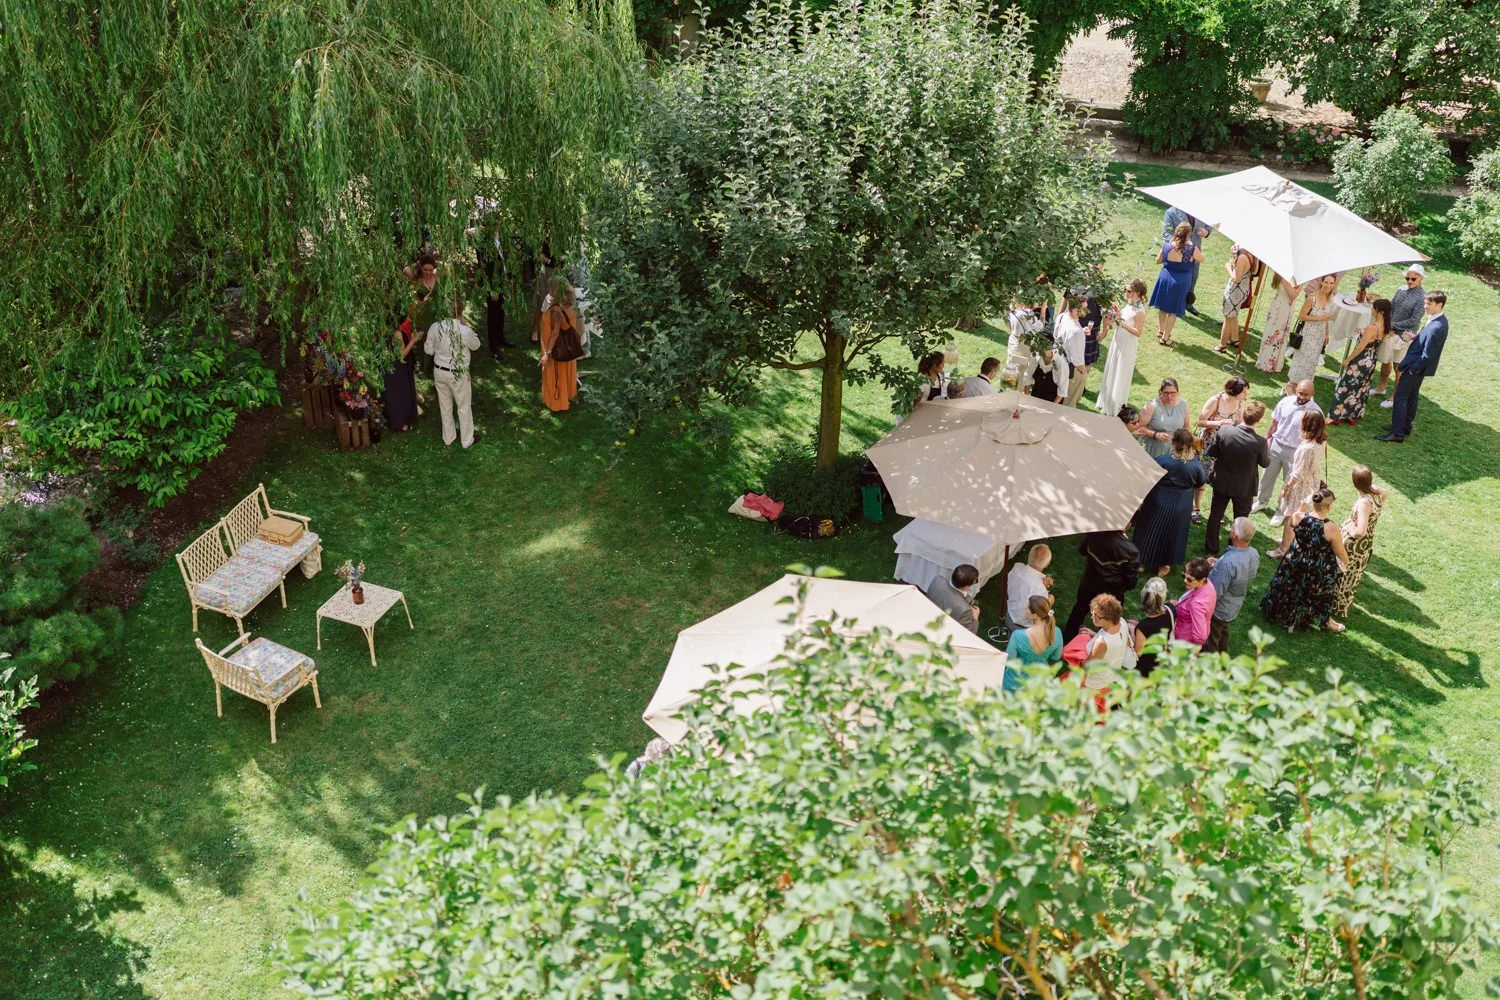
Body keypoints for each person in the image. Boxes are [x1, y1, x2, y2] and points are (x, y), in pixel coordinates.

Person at [1259, 487, 1349, 633]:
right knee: (1323, 591)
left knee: (1289, 585)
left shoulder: (1298, 517)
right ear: (1329, 506)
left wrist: (1304, 504)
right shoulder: (1331, 528)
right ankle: (1326, 620)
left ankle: (1278, 610)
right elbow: (1340, 552)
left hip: (1294, 559)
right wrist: (1346, 562)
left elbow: (1292, 522)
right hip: (1316, 567)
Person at [1134, 428, 1207, 577]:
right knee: (1173, 533)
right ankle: (1164, 564)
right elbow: (1201, 485)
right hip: (1181, 504)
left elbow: (1148, 478)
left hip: (1157, 500)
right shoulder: (1196, 466)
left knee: (1149, 529)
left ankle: (1141, 561)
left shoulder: (1162, 460)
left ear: (1173, 443)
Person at [1379, 291, 1448, 443]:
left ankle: (1397, 433)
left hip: (1415, 368)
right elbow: (1427, 342)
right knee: (1411, 396)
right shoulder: (1438, 320)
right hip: (1418, 368)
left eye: (1429, 304)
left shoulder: (1437, 326)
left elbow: (1427, 355)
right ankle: (1404, 426)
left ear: (1440, 305)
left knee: (1400, 397)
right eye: (1425, 303)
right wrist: (1415, 338)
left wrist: (1411, 369)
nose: (1425, 306)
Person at [1203, 400, 1268, 555]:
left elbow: (1213, 452)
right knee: (1240, 520)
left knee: (1215, 515)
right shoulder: (1260, 442)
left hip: (1222, 482)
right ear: (1258, 421)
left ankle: (1210, 550)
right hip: (1243, 487)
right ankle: (1232, 550)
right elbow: (1265, 463)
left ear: (1243, 415)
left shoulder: (1224, 430)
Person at [1254, 379, 1321, 513]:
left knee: (1288, 482)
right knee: (1266, 476)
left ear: (1313, 393)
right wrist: (1267, 439)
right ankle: (1261, 502)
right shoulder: (1285, 402)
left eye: (1306, 394)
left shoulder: (1316, 412)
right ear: (1296, 390)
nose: (1302, 397)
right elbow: (1274, 422)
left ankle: (1280, 511)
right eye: (1300, 393)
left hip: (1296, 451)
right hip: (1277, 444)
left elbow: (1317, 436)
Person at [1062, 528, 1142, 639]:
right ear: (1126, 525)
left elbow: (1082, 550)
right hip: (1113, 590)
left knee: (1079, 609)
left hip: (1089, 583)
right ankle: (1106, 641)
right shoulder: (1131, 551)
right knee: (1111, 617)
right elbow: (1131, 579)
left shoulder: (1093, 534)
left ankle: (1067, 637)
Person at [1331, 465, 1388, 619]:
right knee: (1353, 575)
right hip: (1366, 544)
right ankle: (1341, 605)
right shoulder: (1377, 493)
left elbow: (1359, 532)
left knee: (1344, 575)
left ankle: (1337, 607)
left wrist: (1349, 524)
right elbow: (1385, 492)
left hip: (1354, 546)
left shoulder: (1364, 503)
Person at [424, 296, 480, 448]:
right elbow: (476, 345)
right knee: (463, 406)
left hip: (439, 371)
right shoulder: (464, 330)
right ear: (461, 311)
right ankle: (467, 440)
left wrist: (439, 349)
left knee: (445, 405)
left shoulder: (435, 327)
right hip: (458, 372)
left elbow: (428, 350)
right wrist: (466, 325)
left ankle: (448, 437)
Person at [1328, 298, 1391, 426]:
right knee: (1360, 388)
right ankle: (1352, 414)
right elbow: (1373, 339)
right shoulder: (1385, 326)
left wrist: (1348, 360)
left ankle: (1335, 415)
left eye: (1374, 308)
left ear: (1380, 311)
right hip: (1371, 360)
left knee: (1345, 386)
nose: (1372, 310)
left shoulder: (1372, 327)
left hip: (1360, 360)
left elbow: (1360, 347)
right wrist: (1363, 331)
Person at [1193, 376, 1248, 523]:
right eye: (1244, 392)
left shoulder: (1240, 402)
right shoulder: (1215, 400)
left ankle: (1217, 511)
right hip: (1210, 443)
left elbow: (1241, 422)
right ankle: (1195, 508)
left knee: (1219, 478)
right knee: (1203, 476)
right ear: (1235, 391)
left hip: (1226, 445)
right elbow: (1200, 422)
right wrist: (1220, 422)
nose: (1245, 396)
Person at [1270, 409, 1328, 543]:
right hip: (1312, 482)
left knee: (1291, 516)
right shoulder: (1321, 442)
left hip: (1300, 486)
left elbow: (1298, 474)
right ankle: (1290, 540)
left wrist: (1287, 488)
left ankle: (1284, 547)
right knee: (1303, 515)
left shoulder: (1307, 448)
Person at [1203, 519, 1260, 654]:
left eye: (1232, 527)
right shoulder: (1254, 553)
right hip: (1234, 604)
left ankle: (1210, 665)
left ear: (1235, 535)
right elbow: (1248, 573)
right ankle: (1224, 655)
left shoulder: (1228, 563)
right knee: (1223, 632)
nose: (1230, 529)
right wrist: (1218, 564)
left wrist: (1217, 569)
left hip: (1219, 609)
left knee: (1212, 638)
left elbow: (1215, 592)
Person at [1095, 279, 1147, 418]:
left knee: (1120, 370)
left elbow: (1138, 332)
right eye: (1126, 290)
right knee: (1113, 367)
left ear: (1137, 293)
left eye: (1129, 291)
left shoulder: (1140, 311)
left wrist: (1122, 323)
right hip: (1118, 340)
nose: (1126, 293)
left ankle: (1116, 404)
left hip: (1127, 344)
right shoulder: (1129, 305)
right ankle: (1106, 400)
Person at [1148, 222, 1204, 347]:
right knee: (1173, 311)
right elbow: (1201, 259)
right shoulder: (1192, 248)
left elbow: (1158, 260)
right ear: (1189, 234)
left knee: (1163, 306)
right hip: (1181, 281)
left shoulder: (1166, 245)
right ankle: (1165, 338)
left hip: (1165, 277)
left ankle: (1161, 330)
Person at [1375, 263, 1425, 400]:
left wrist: (1392, 325)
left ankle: (1394, 396)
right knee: (1386, 361)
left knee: (1399, 366)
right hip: (1391, 332)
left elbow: (1414, 320)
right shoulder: (1400, 290)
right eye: (1407, 278)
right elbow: (1392, 306)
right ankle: (1381, 387)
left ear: (1421, 278)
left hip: (1404, 336)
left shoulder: (1421, 298)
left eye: (1413, 279)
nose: (1409, 281)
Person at [1160, 207, 1212, 316]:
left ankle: (1187, 303)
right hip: (1177, 254)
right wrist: (1179, 244)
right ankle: (1172, 303)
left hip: (1195, 252)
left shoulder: (1202, 210)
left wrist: (1207, 232)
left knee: (1193, 277)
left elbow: (1209, 224)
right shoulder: (1171, 212)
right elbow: (1166, 233)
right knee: (1176, 281)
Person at [540, 277, 582, 413]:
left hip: (557, 348)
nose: (548, 289)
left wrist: (547, 353)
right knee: (567, 370)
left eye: (551, 288)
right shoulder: (571, 305)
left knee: (557, 373)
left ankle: (557, 401)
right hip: (568, 347)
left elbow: (554, 334)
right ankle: (568, 393)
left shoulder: (556, 311)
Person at [1287, 274, 1339, 383]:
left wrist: (1326, 334)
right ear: (1321, 282)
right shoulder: (1312, 298)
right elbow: (1302, 316)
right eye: (1326, 282)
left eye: (1331, 283)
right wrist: (1321, 317)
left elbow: (1327, 320)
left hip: (1319, 336)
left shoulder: (1331, 300)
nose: (1328, 286)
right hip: (1308, 334)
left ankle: (1305, 384)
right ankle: (1292, 383)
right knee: (1302, 360)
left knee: (1312, 361)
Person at [1003, 595, 1061, 693]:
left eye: (1027, 608)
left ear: (1035, 615)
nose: (1025, 609)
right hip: (1039, 682)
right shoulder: (1057, 632)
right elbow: (1056, 656)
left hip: (1015, 682)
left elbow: (1010, 660)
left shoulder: (1018, 635)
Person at [382, 308, 421, 432]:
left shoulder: (383, 331)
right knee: (400, 394)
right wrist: (413, 340)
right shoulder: (397, 334)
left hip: (387, 365)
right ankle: (400, 424)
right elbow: (401, 355)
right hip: (398, 367)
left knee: (391, 393)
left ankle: (392, 420)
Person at [1254, 273, 1302, 373]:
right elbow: (1293, 294)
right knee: (1275, 334)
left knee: (1281, 334)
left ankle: (1276, 362)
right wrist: (1302, 284)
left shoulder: (1290, 276)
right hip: (1281, 307)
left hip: (1286, 307)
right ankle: (1267, 362)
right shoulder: (1285, 275)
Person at [477, 230, 514, 358]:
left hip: (502, 281)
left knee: (501, 311)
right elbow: (484, 268)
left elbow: (505, 261)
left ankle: (500, 338)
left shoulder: (502, 238)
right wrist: (491, 290)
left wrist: (509, 278)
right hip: (492, 284)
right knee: (493, 315)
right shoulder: (484, 243)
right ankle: (493, 347)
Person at [1133, 378, 1188, 460]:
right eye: (1166, 393)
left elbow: (1186, 427)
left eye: (1173, 393)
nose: (1169, 396)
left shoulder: (1184, 405)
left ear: (1177, 392)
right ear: (1160, 392)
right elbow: (1138, 427)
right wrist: (1155, 435)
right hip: (1152, 447)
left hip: (1174, 449)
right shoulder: (1151, 405)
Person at [1131, 577, 1175, 677]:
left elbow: (1138, 653)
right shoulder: (1171, 610)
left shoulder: (1143, 626)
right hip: (1162, 658)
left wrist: (1130, 632)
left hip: (1147, 666)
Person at [1217, 245, 1257, 353]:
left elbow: (1236, 279)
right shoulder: (1252, 255)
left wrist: (1228, 267)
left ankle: (1222, 345)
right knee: (1233, 315)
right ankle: (1235, 339)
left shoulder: (1243, 257)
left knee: (1228, 318)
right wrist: (1235, 256)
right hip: (1243, 290)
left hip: (1235, 291)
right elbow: (1253, 272)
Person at [1005, 544, 1054, 632]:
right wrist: (1049, 603)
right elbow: (1041, 612)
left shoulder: (1017, 567)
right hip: (1024, 626)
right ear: (1047, 564)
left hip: (1010, 614)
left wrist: (1041, 579)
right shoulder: (1040, 589)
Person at [1054, 294, 1091, 407]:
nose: (1086, 310)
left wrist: (1081, 331)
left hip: (1057, 360)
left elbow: (1057, 335)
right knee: (1069, 404)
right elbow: (1078, 361)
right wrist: (1084, 373)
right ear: (1075, 310)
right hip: (1070, 369)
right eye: (1084, 308)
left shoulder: (1061, 316)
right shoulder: (1076, 332)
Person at [1172, 557, 1217, 647]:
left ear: (1202, 579)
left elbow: (1201, 637)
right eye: (1183, 576)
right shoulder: (1207, 584)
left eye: (1189, 579)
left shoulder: (1196, 605)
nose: (1185, 580)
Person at [926, 564, 980, 634]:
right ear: (966, 586)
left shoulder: (937, 580)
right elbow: (969, 634)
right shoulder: (965, 610)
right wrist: (975, 618)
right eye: (975, 581)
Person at [1081, 593, 1129, 670]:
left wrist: (1079, 659)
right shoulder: (1122, 622)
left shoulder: (1101, 642)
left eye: (1095, 615)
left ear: (1107, 619)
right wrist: (1094, 634)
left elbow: (1088, 666)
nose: (1092, 616)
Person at [1006, 300, 1046, 390]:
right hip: (1024, 344)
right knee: (1021, 370)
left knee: (1010, 367)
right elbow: (1041, 327)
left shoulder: (1012, 309)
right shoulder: (1027, 313)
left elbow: (1008, 325)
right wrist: (1043, 310)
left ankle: (1007, 389)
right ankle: (1017, 392)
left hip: (1014, 340)